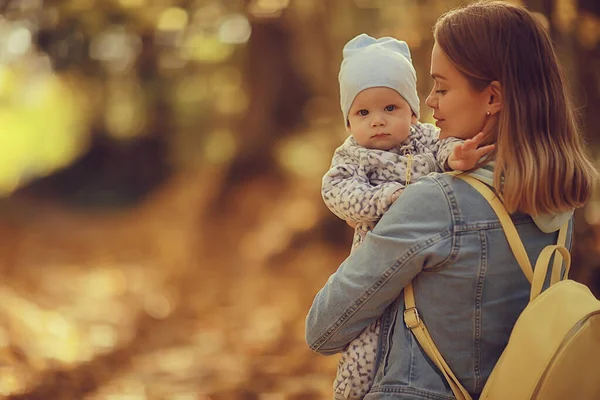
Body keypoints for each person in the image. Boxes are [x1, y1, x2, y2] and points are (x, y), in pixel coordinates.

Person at [306, 2, 599, 399]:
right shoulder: (558, 197)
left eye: (441, 87)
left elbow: (323, 329)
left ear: (492, 97)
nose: (428, 102)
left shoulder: (434, 201)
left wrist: (373, 230)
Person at [321, 34, 489, 399]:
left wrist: (456, 157)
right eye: (363, 113)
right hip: (376, 263)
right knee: (362, 352)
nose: (377, 121)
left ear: (413, 112)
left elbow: (445, 148)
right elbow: (336, 192)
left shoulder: (427, 138)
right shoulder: (353, 156)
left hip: (426, 266)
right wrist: (383, 198)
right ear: (348, 122)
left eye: (390, 109)